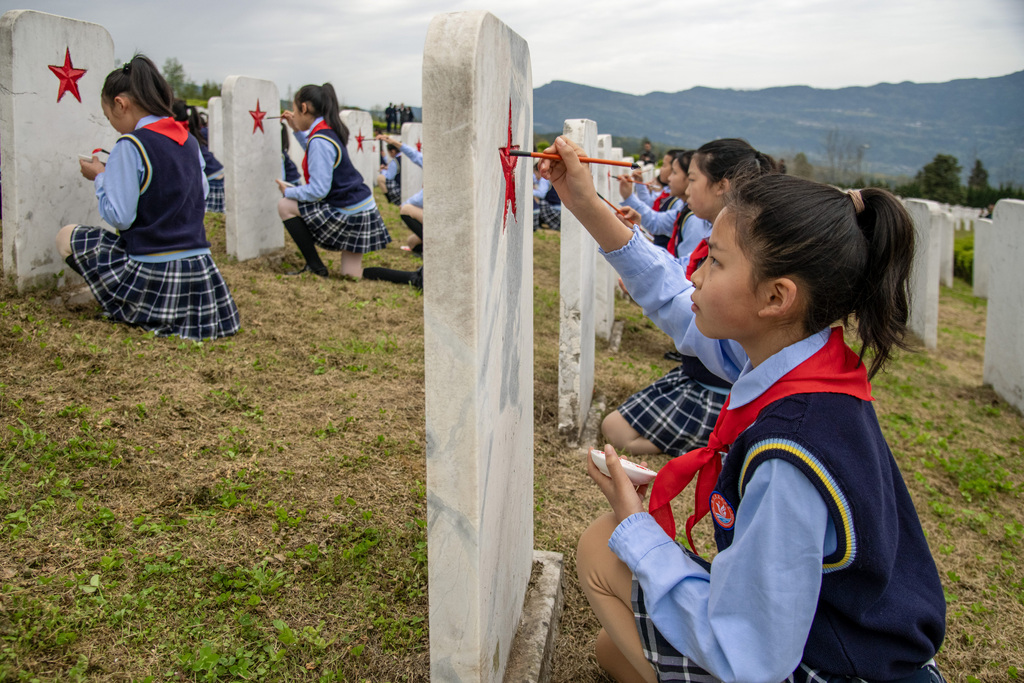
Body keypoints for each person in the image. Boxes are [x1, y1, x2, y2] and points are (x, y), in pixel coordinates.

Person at [541, 137, 947, 683]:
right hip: (836, 633)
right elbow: (672, 298)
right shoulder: (806, 361)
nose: (696, 274)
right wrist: (586, 204)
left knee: (604, 544)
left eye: (716, 261)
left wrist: (639, 528)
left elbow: (751, 656)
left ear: (776, 298)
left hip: (823, 663)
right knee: (611, 652)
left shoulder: (789, 456)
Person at [603, 140, 773, 460]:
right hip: (700, 370)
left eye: (690, 177)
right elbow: (680, 270)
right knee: (615, 428)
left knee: (617, 431)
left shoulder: (729, 239)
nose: (667, 178)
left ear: (722, 185)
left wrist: (630, 252)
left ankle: (724, 446)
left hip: (716, 382)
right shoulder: (699, 220)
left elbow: (679, 285)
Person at [55, 54, 240, 340]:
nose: (112, 124)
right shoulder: (188, 141)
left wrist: (101, 177)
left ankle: (132, 305)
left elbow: (121, 216)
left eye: (108, 116)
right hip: (200, 267)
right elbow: (200, 194)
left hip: (153, 267)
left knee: (66, 236)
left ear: (120, 103)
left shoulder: (130, 145)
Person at [276, 83, 390, 278]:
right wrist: (296, 130)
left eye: (294, 109)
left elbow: (319, 190)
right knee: (352, 273)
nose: (293, 114)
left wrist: (289, 191)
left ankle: (315, 265)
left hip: (348, 212)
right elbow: (318, 156)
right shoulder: (327, 130)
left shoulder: (320, 139)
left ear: (304, 108)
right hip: (361, 208)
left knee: (285, 205)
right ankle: (412, 277)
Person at [171, 99, 224, 213]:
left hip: (211, 179)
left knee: (208, 213)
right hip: (216, 174)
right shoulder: (192, 133)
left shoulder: (182, 136)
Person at [533, 162, 561, 231]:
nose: (535, 176)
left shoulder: (544, 179)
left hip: (555, 209)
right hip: (556, 207)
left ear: (539, 171)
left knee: (540, 203)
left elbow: (541, 194)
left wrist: (530, 190)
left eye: (535, 173)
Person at [376, 141, 403, 205]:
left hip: (399, 187)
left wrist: (383, 171)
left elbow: (389, 177)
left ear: (393, 151)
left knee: (380, 178)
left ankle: (390, 199)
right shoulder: (403, 157)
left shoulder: (395, 161)